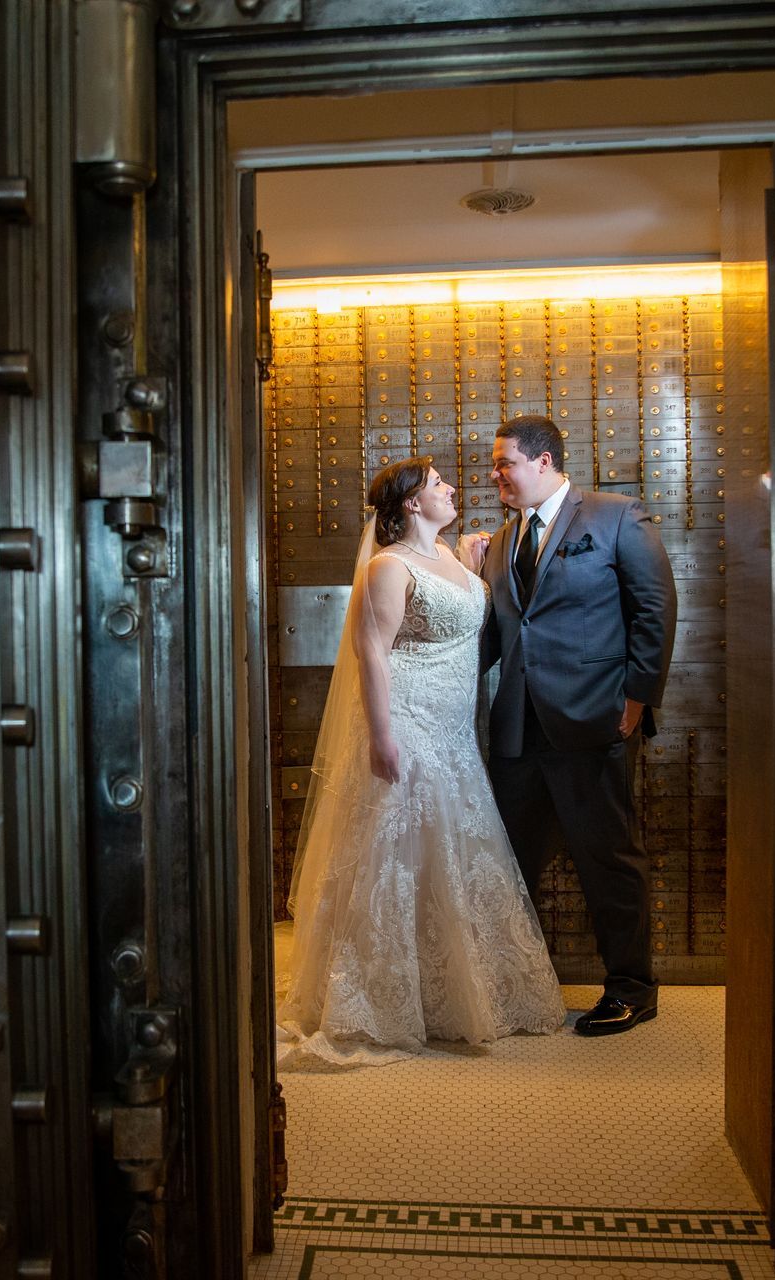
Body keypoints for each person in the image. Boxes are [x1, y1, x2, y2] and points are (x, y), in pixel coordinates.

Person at [277, 455, 565, 1067]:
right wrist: (382, 736)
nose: (451, 488)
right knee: (397, 855)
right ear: (411, 502)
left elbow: (465, 625)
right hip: (408, 721)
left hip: (454, 728)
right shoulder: (387, 565)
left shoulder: (453, 561)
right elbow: (372, 653)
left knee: (450, 851)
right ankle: (379, 1000)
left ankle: (446, 998)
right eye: (438, 484)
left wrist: (470, 565)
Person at [460, 414, 677, 1036]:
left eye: (505, 463)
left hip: (595, 718)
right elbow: (502, 634)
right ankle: (511, 986)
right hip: (519, 729)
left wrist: (638, 699)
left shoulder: (614, 515)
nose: (496, 474)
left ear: (545, 461)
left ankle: (632, 987)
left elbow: (654, 608)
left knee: (608, 857)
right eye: (495, 465)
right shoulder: (502, 541)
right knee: (509, 864)